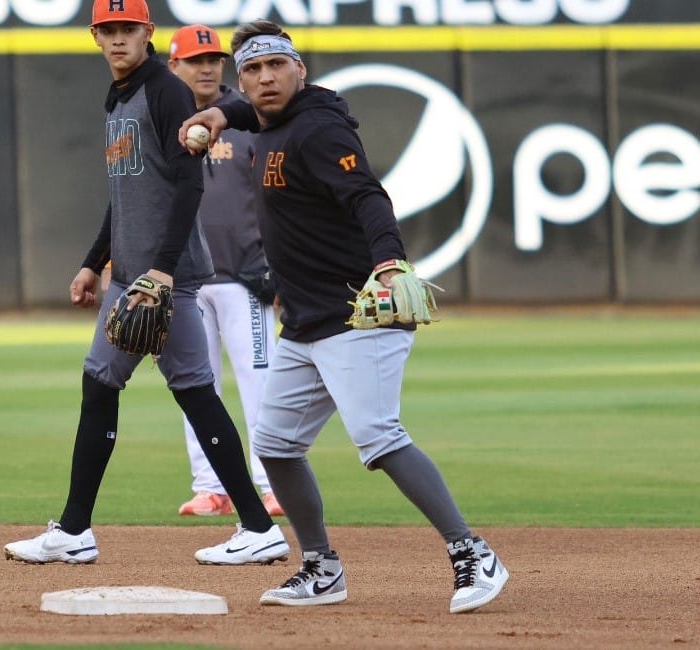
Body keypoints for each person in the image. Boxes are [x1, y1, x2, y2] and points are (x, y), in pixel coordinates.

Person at [182, 20, 509, 613]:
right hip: (305, 322)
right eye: (252, 70)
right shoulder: (268, 119)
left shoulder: (317, 128)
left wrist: (389, 262)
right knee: (276, 445)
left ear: (299, 70)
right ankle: (321, 568)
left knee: (379, 438)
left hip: (358, 314)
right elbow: (247, 110)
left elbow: (367, 196)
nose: (264, 79)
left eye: (276, 66)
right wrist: (217, 116)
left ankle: (473, 553)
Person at [3, 0, 289, 567]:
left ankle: (257, 528)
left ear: (146, 33)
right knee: (103, 384)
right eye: (107, 31)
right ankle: (76, 529)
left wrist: (162, 270)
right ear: (95, 36)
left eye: (126, 29)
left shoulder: (165, 91)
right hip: (131, 279)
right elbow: (126, 194)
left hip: (165, 281)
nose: (116, 40)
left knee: (192, 394)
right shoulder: (120, 97)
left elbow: (188, 186)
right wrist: (93, 260)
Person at [166, 24, 283, 518]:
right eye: (196, 60)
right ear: (175, 67)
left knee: (261, 382)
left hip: (243, 278)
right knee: (197, 385)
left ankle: (273, 482)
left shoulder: (248, 118)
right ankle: (210, 486)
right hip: (185, 281)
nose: (207, 67)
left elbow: (277, 196)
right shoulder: (159, 117)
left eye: (214, 58)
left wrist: (278, 266)